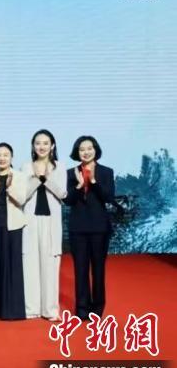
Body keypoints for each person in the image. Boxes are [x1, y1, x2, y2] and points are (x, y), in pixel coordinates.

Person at [64, 136, 115, 320]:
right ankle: (82, 308)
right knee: (80, 270)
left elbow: (108, 197)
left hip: (99, 228)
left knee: (98, 269)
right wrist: (79, 185)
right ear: (77, 153)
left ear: (95, 150)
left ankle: (98, 308)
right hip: (78, 228)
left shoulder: (106, 172)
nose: (86, 152)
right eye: (82, 149)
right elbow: (68, 201)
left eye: (89, 148)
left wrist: (93, 181)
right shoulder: (71, 173)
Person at [21, 129, 67, 321]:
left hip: (51, 221)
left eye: (45, 143)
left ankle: (50, 310)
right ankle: (31, 309)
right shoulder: (26, 167)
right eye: (38, 143)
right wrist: (35, 178)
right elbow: (22, 195)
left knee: (50, 264)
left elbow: (62, 194)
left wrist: (45, 178)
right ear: (33, 146)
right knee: (30, 264)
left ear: (52, 146)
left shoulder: (60, 167)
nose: (41, 147)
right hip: (30, 220)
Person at [0, 143, 27, 320]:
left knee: (11, 267)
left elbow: (21, 200)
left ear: (11, 157)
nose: (2, 158)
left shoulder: (19, 176)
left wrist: (8, 187)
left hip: (13, 226)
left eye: (5, 155)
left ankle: (11, 310)